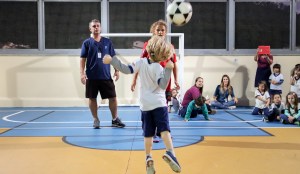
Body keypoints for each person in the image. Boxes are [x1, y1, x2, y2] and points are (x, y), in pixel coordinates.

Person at [103, 36, 181, 173]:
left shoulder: (140, 61)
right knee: (164, 130)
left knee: (148, 134)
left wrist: (112, 60)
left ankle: (148, 157)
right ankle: (170, 153)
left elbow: (125, 69)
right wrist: (168, 69)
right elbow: (162, 85)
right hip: (159, 103)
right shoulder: (158, 67)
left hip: (145, 105)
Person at [131, 19, 180, 143]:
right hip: (151, 83)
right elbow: (139, 63)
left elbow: (173, 64)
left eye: (162, 30)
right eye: (157, 30)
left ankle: (163, 131)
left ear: (165, 32)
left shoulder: (170, 47)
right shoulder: (148, 45)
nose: (160, 32)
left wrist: (176, 80)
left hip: (164, 82)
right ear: (153, 31)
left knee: (163, 108)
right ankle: (150, 133)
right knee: (150, 109)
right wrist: (134, 80)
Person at [80, 19, 125, 129]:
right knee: (92, 98)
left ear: (100, 28)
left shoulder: (107, 42)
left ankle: (115, 119)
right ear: (90, 29)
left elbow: (112, 57)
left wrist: (117, 70)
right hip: (91, 77)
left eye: (98, 26)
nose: (96, 28)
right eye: (94, 26)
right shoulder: (87, 43)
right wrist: (82, 74)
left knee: (113, 98)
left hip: (105, 76)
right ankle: (95, 119)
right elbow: (82, 59)